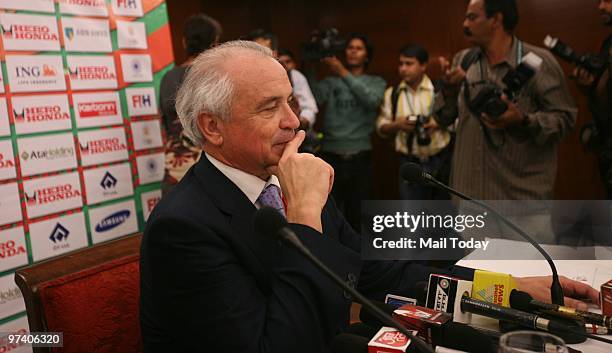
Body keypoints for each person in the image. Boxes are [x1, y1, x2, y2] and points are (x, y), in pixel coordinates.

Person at [139, 40, 599, 353]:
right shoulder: (183, 230)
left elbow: (378, 271)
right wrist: (303, 218)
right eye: (268, 108)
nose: (294, 123)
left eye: (290, 102)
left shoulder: (284, 177)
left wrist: (501, 290)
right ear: (211, 127)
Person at [434, 0, 577, 242]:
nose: (464, 24)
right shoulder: (463, 61)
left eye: (472, 17)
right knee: (480, 281)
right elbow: (443, 118)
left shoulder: (538, 63)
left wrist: (523, 120)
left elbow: (565, 120)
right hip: (471, 203)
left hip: (523, 206)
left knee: (531, 280)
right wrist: (448, 89)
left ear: (496, 20)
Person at [310, 33, 386, 231]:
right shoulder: (331, 82)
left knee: (360, 215)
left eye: (358, 48)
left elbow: (372, 100)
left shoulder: (375, 82)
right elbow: (312, 99)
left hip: (360, 155)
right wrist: (309, 64)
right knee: (329, 214)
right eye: (350, 47)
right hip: (330, 154)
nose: (352, 51)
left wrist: (343, 72)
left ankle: (363, 260)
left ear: (367, 56)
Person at [377, 44, 452, 200]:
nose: (403, 68)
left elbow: (458, 122)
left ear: (423, 66)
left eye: (409, 63)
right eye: (401, 63)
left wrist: (437, 123)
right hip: (409, 164)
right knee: (413, 220)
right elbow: (380, 127)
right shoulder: (393, 94)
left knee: (443, 219)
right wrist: (397, 125)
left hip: (441, 161)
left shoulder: (438, 90)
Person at [159, 13, 222, 194]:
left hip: (176, 168)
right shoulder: (217, 76)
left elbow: (165, 122)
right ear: (215, 44)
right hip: (213, 166)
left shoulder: (168, 77)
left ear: (185, 42)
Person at [573, 0, 612, 197]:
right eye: (599, 1)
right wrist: (589, 88)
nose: (601, 6)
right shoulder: (607, 45)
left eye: (608, 0)